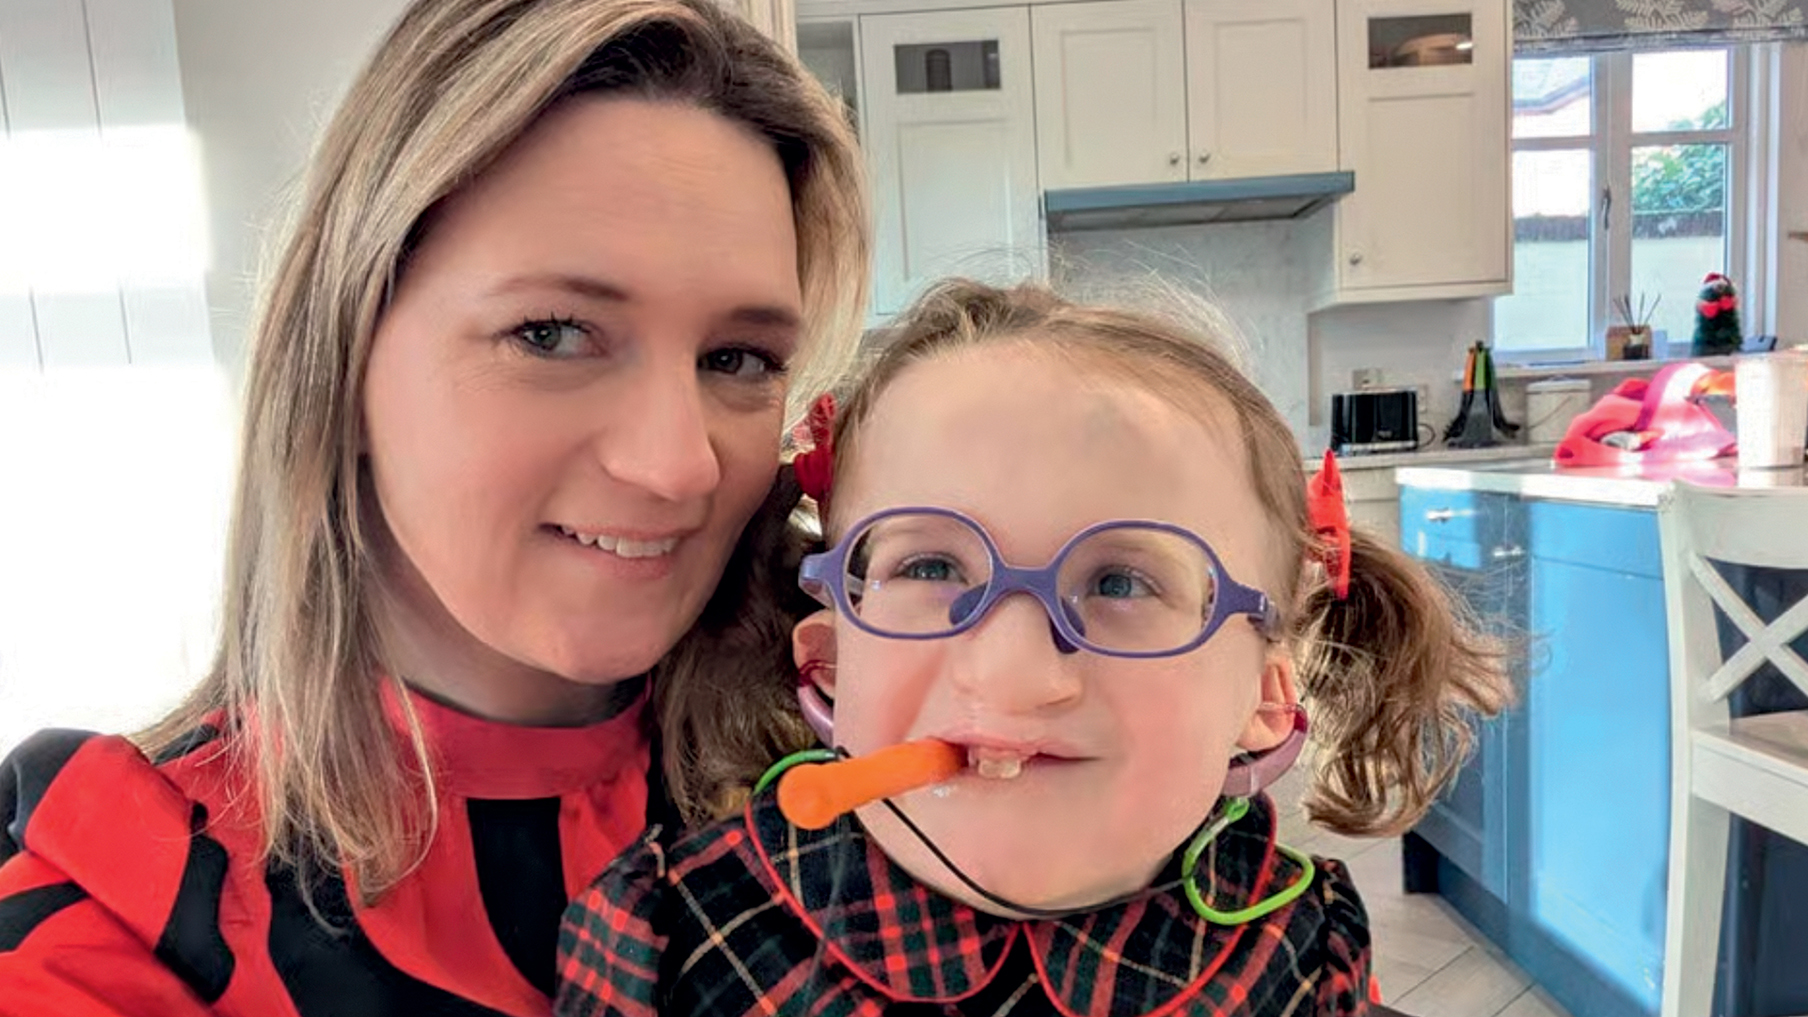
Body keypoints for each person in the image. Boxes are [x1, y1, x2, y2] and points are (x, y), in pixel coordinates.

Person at [0, 0, 867, 1013]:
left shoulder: (874, 773)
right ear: (344, 363)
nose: (678, 466)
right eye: (551, 333)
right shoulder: (123, 909)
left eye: (738, 359)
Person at [556, 280, 1512, 1016]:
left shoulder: (1307, 947)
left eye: (1122, 583)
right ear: (831, 666)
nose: (1009, 673)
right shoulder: (666, 941)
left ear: (1264, 697)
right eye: (932, 566)